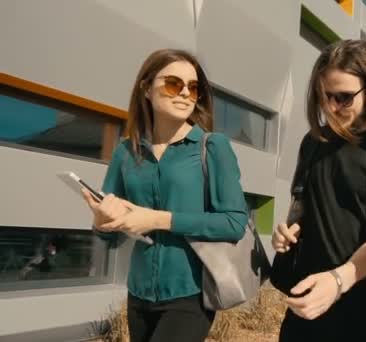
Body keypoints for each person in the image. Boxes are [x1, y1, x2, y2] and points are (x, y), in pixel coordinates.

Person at [80, 49, 249, 342]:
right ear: (146, 88)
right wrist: (101, 221)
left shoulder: (213, 147)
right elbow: (112, 236)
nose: (185, 93)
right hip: (139, 295)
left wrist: (159, 219)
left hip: (190, 294)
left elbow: (234, 222)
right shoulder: (126, 152)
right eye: (173, 84)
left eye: (193, 88)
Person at [271, 39, 366, 342]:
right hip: (307, 308)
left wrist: (337, 281)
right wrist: (283, 236)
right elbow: (299, 213)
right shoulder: (313, 143)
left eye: (344, 97)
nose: (333, 106)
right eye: (326, 96)